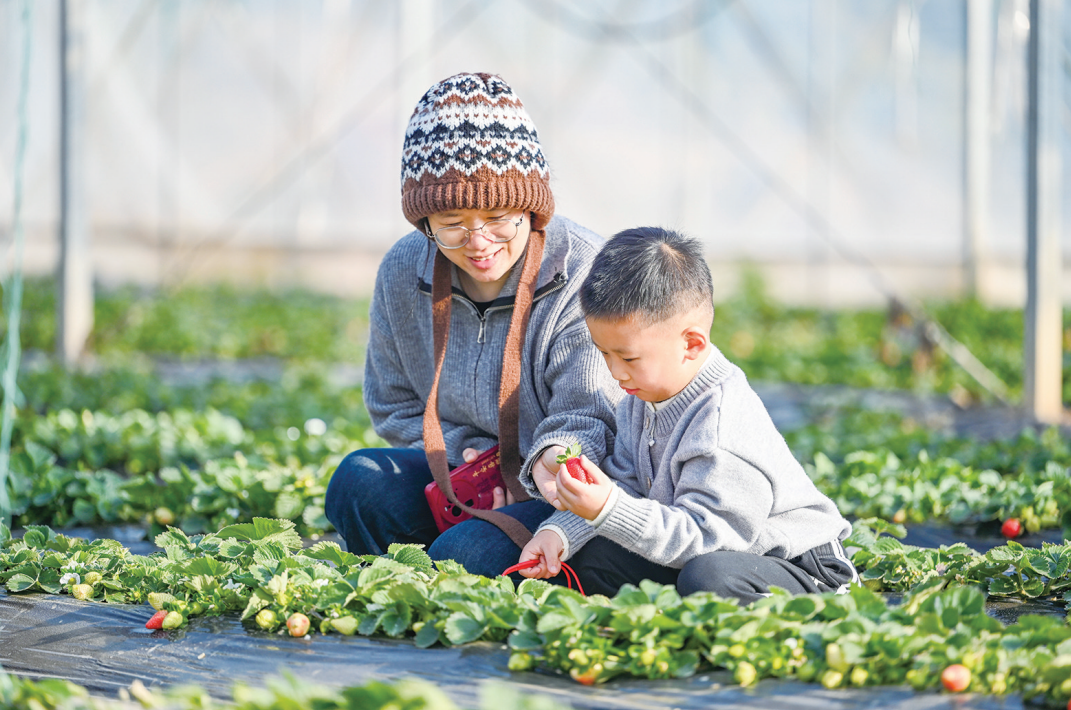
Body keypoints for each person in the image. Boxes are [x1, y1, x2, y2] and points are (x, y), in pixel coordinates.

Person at [324, 72, 620, 578]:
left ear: (531, 207)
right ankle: (395, 594)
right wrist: (475, 460)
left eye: (500, 216)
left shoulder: (583, 272)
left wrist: (536, 466)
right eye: (453, 223)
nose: (479, 241)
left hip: (562, 489)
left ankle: (470, 572)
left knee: (462, 558)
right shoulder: (403, 271)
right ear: (425, 221)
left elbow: (592, 419)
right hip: (460, 472)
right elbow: (391, 402)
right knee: (359, 480)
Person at [517, 227, 858, 604]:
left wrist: (609, 508)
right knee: (595, 556)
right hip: (705, 547)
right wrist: (559, 534)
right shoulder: (640, 396)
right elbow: (627, 482)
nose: (615, 372)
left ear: (691, 344)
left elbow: (706, 539)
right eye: (604, 354)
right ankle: (679, 620)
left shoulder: (720, 424)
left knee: (706, 578)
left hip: (797, 565)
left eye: (628, 358)